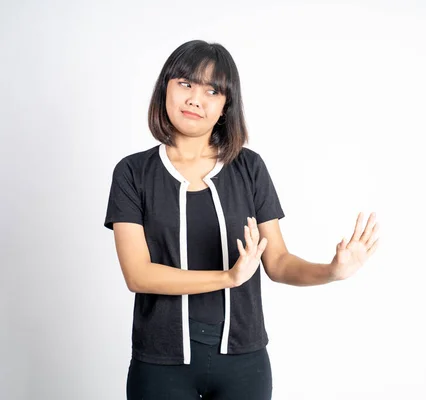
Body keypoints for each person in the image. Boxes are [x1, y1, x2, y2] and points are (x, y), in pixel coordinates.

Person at [104, 39, 379, 400]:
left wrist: (332, 271)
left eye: (212, 90)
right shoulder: (133, 172)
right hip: (160, 361)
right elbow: (137, 274)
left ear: (225, 106)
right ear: (165, 88)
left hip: (243, 362)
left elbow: (278, 262)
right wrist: (228, 277)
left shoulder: (249, 167)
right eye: (185, 84)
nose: (195, 99)